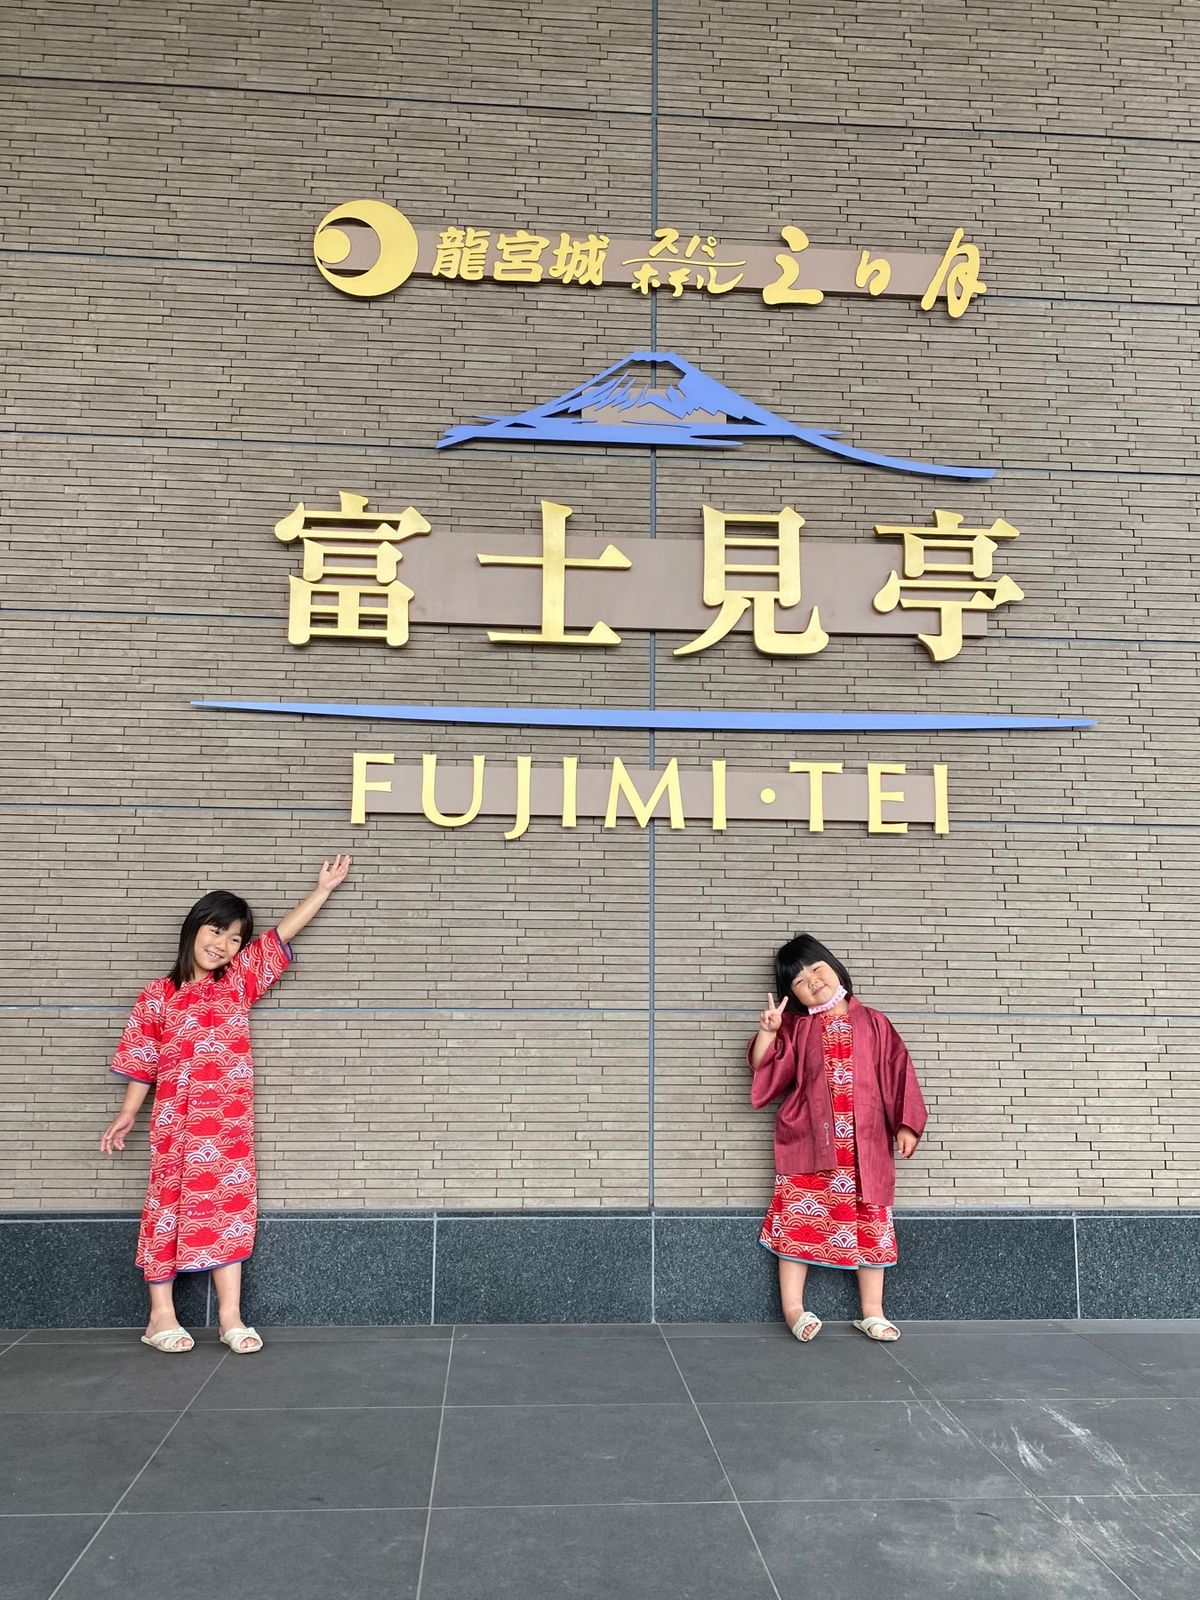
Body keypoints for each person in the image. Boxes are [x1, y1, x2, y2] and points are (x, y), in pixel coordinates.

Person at [99, 855, 352, 1354]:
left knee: (229, 1210)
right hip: (175, 1126)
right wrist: (128, 1113)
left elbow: (281, 935)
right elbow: (142, 1059)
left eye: (235, 939)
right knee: (167, 1207)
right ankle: (160, 1316)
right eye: (217, 931)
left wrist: (322, 891)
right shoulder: (157, 996)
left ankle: (230, 1318)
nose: (223, 945)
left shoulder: (237, 982)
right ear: (194, 928)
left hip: (229, 1128)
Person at [748, 933, 926, 1344]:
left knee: (870, 1221)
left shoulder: (874, 1022)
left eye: (816, 969)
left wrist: (906, 1124)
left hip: (865, 1149)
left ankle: (872, 1311)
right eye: (798, 981)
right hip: (808, 1144)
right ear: (791, 995)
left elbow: (899, 1071)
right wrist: (769, 1033)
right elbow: (764, 1070)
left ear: (835, 967)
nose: (811, 981)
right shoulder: (796, 1028)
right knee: (799, 1222)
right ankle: (794, 1309)